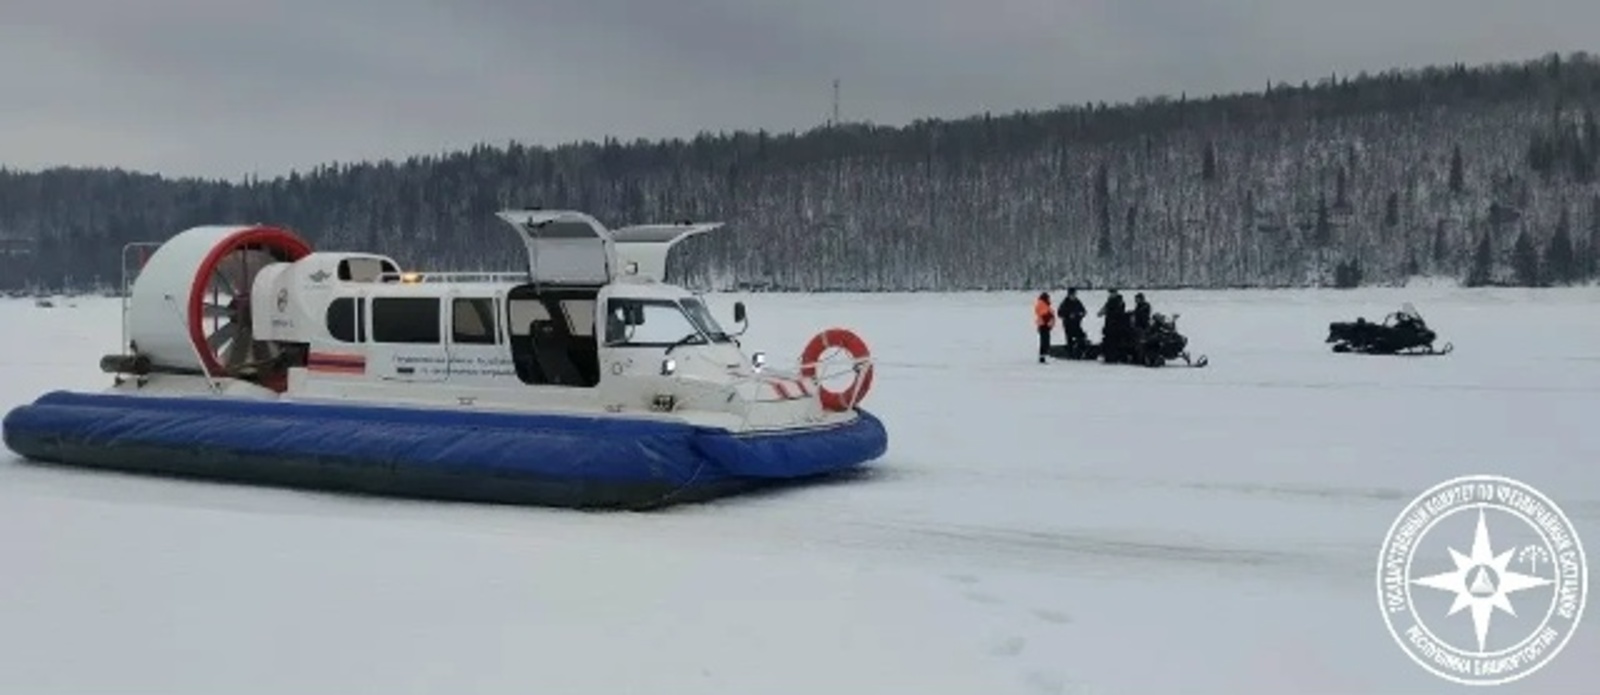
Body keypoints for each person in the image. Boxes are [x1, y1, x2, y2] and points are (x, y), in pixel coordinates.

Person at [1097, 289, 1127, 361]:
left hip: (1116, 325)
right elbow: (1103, 311)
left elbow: (1118, 312)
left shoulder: (1119, 301)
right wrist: (1102, 312)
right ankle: (1108, 355)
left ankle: (1113, 356)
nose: (1111, 294)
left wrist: (1108, 312)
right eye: (1110, 293)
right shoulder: (1109, 301)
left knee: (1113, 341)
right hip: (1109, 324)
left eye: (1112, 293)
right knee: (1108, 340)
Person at [1056, 288, 1087, 352]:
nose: (1074, 296)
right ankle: (1070, 351)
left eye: (1075, 294)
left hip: (1076, 323)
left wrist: (1081, 314)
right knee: (1069, 338)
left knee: (1081, 336)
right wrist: (1068, 315)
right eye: (1072, 295)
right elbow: (1060, 313)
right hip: (1068, 324)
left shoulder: (1077, 301)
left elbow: (1084, 311)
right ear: (1069, 295)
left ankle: (1081, 349)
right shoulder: (1065, 303)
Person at [1033, 292, 1054, 364]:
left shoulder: (1044, 304)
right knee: (1044, 342)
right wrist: (1050, 317)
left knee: (1045, 341)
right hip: (1043, 325)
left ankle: (1044, 356)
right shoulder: (1042, 304)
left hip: (1045, 325)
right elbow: (1044, 314)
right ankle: (1042, 357)